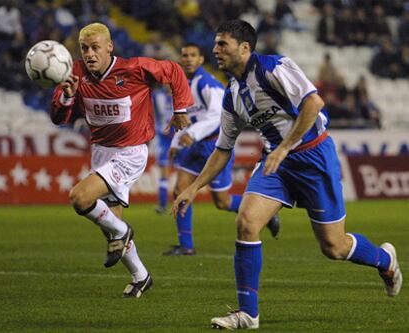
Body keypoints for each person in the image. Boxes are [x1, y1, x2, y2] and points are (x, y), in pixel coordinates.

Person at [173, 20, 402, 330]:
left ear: (245, 47)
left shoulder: (274, 67)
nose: (215, 50)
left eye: (222, 44)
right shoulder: (232, 95)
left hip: (313, 156)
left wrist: (284, 147)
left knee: (333, 247)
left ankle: (385, 261)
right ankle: (247, 314)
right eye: (215, 45)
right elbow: (223, 149)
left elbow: (313, 103)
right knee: (246, 222)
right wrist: (194, 188)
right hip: (276, 164)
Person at [50, 22, 193, 297]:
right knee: (109, 228)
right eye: (84, 48)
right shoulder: (74, 74)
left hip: (130, 152)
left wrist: (180, 108)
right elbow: (58, 118)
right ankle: (141, 276)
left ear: (109, 47)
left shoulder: (135, 68)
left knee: (79, 198)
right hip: (101, 152)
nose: (89, 54)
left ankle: (123, 231)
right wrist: (67, 96)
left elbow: (174, 71)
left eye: (95, 48)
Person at [165, 43, 280, 256]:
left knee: (222, 202)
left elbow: (215, 117)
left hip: (214, 146)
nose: (188, 59)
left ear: (201, 60)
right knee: (179, 190)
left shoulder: (208, 83)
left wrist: (193, 134)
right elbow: (185, 119)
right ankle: (186, 245)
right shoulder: (182, 85)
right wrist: (176, 142)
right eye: (185, 55)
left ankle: (267, 214)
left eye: (193, 55)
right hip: (194, 145)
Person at [151, 84, 176, 214]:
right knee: (164, 172)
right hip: (163, 139)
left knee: (184, 170)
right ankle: (162, 203)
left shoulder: (181, 93)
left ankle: (182, 202)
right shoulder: (156, 95)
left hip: (179, 137)